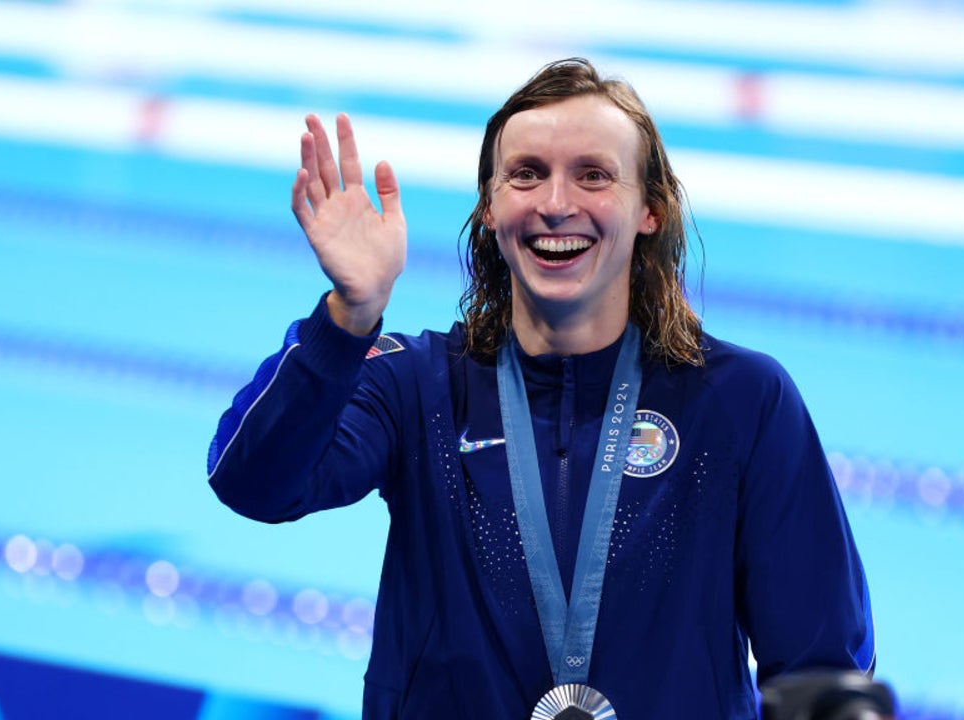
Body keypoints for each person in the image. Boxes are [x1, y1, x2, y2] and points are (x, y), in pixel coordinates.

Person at [207, 57, 874, 720]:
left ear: (650, 210)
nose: (557, 205)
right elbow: (254, 482)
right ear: (491, 210)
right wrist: (347, 320)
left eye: (593, 175)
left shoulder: (739, 401)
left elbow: (823, 667)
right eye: (527, 175)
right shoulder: (418, 387)